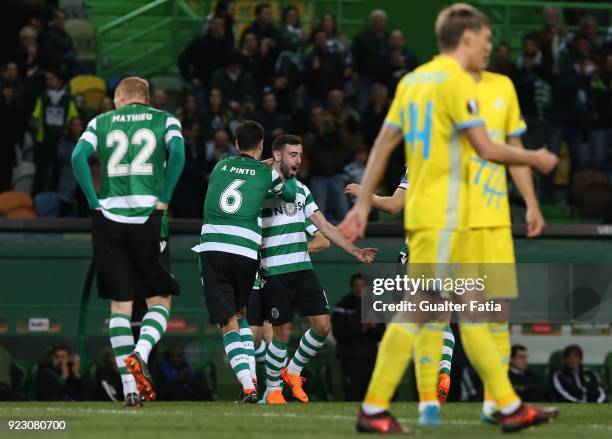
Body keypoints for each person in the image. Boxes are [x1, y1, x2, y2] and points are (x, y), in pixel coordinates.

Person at [339, 3, 559, 433]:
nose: (487, 47)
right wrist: (534, 156)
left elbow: (383, 144)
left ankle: (505, 405)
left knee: (461, 309)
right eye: (484, 39)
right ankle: (376, 406)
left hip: (427, 216)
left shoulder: (413, 81)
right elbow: (487, 148)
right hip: (446, 215)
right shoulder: (457, 83)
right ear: (466, 38)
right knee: (430, 310)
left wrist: (364, 202)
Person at [71, 76, 185, 407]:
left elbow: (78, 156)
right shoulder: (165, 119)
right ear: (146, 98)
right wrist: (164, 198)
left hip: (110, 218)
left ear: (120, 96)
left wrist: (94, 200)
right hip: (149, 217)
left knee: (119, 307)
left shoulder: (101, 120)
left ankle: (129, 388)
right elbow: (178, 152)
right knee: (159, 301)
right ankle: (141, 351)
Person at [259, 135, 377, 404]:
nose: (298, 160)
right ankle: (273, 389)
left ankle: (293, 371)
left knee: (323, 326)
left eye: (300, 155)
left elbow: (325, 228)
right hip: (275, 269)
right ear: (277, 156)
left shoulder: (300, 190)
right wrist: (263, 167)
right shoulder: (261, 185)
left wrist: (354, 250)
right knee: (281, 332)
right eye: (292, 155)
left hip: (302, 268)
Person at [191, 120, 296, 403]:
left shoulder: (219, 167)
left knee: (227, 323)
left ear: (236, 144)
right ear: (261, 145)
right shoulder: (266, 175)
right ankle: (251, 385)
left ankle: (248, 386)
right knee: (241, 315)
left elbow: (237, 173)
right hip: (246, 252)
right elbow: (290, 194)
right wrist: (276, 167)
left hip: (214, 248)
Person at [332, 273, 385, 401]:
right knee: (352, 395)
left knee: (372, 397)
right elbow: (338, 333)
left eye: (363, 286)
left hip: (371, 358)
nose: (359, 289)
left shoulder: (375, 306)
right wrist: (362, 328)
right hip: (350, 358)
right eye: (356, 285)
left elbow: (382, 334)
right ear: (351, 287)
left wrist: (373, 327)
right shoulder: (342, 306)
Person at [31, 69, 78, 196]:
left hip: (61, 143)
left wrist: (67, 132)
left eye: (51, 79)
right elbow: (35, 116)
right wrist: (35, 124)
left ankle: (57, 202)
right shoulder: (42, 97)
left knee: (58, 173)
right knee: (41, 173)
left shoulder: (68, 99)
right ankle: (38, 200)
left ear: (59, 81)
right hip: (44, 141)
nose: (48, 82)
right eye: (47, 79)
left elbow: (74, 118)